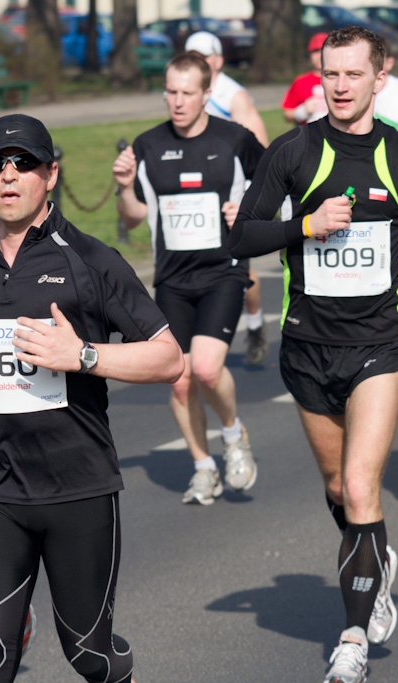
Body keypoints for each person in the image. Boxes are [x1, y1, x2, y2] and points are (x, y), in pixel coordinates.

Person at [229, 26, 398, 682]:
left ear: (380, 79)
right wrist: (306, 224)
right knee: (338, 488)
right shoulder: (292, 151)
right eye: (332, 74)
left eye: (354, 75)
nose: (340, 86)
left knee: (361, 483)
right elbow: (241, 236)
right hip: (308, 345)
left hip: (380, 342)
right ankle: (376, 557)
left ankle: (352, 637)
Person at [0, 113, 181, 683]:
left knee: (90, 655)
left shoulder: (90, 260)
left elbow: (169, 358)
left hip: (77, 486)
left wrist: (83, 355)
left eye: (25, 164)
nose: (8, 176)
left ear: (51, 174)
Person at [113, 52, 264, 505]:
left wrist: (250, 211)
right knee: (178, 378)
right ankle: (203, 467)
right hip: (173, 278)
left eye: (187, 93)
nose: (177, 102)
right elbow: (136, 219)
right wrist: (124, 186)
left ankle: (234, 436)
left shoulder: (236, 139)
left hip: (223, 271)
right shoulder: (147, 145)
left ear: (206, 94)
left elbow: (276, 189)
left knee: (205, 368)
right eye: (171, 93)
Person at [184, 30, 271, 366]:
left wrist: (248, 204)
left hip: (229, 195)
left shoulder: (233, 96)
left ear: (217, 60)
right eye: (193, 54)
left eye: (205, 56)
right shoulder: (186, 93)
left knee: (240, 266)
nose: (199, 61)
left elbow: (260, 152)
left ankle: (254, 324)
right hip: (195, 195)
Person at [282, 32, 330, 125]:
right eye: (315, 51)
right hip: (309, 135)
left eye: (323, 50)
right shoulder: (300, 82)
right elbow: (287, 113)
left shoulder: (343, 79)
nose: (319, 55)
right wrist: (301, 112)